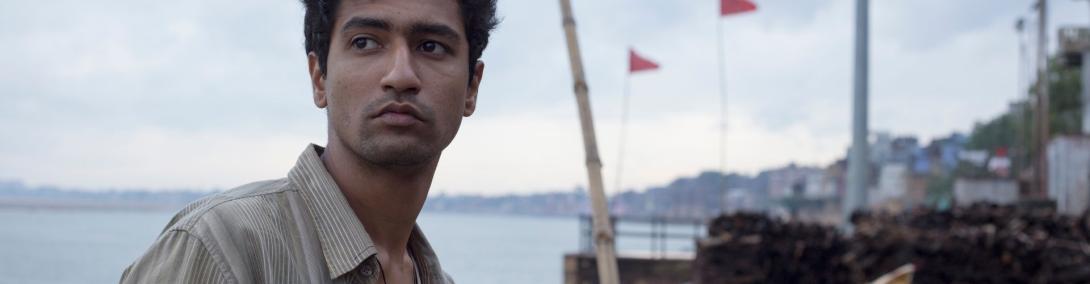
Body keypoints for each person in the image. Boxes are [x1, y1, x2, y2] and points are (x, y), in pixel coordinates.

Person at [121, 0, 498, 282]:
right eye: (366, 42)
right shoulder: (222, 249)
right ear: (319, 77)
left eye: (431, 46)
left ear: (471, 87)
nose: (400, 75)